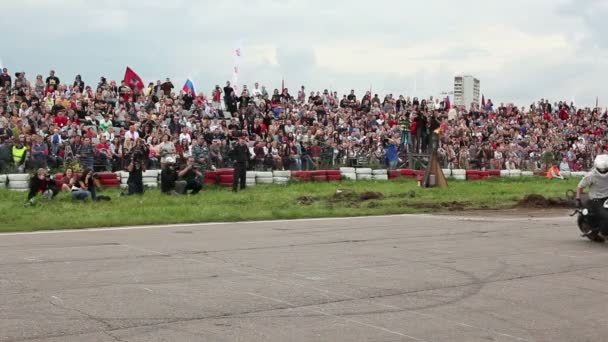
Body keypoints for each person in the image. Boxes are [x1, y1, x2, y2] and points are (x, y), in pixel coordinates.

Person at [576, 155, 608, 231]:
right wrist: (577, 198)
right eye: (601, 169)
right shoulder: (591, 175)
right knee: (606, 216)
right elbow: (580, 186)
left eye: (605, 169)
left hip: (607, 198)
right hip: (596, 199)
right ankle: (603, 232)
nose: (603, 171)